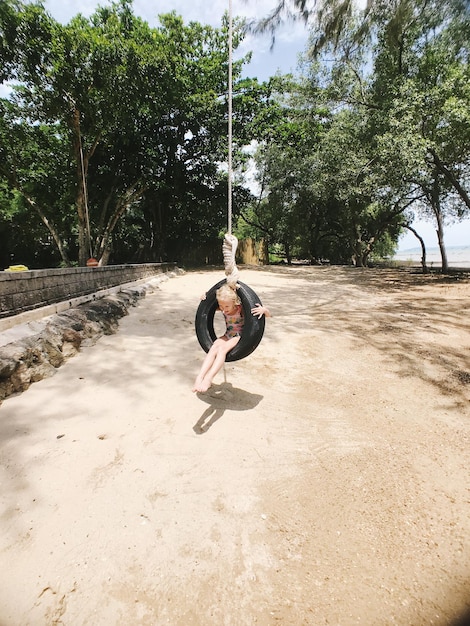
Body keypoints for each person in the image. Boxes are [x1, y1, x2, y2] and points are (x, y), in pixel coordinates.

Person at [192, 283, 270, 393]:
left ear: (234, 302)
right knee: (214, 347)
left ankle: (209, 378)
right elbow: (207, 309)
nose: (224, 310)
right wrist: (205, 298)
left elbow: (267, 315)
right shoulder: (224, 307)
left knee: (222, 350)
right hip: (228, 334)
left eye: (227, 306)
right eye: (221, 306)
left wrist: (264, 310)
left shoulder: (240, 309)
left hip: (238, 336)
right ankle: (200, 377)